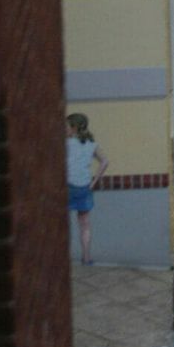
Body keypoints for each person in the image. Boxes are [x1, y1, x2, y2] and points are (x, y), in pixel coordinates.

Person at [65, 113, 108, 265]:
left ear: (74, 128)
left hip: (67, 186)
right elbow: (104, 162)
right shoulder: (91, 144)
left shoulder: (65, 143)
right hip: (84, 186)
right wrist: (94, 181)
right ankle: (86, 257)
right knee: (85, 224)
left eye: (67, 126)